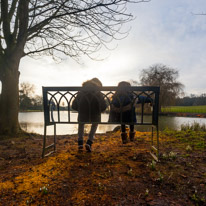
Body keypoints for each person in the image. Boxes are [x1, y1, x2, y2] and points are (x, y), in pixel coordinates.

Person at [72, 78, 107, 152]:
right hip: (94, 116)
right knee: (95, 123)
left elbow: (73, 105)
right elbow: (104, 106)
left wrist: (81, 110)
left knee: (81, 123)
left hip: (82, 116)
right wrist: (98, 110)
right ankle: (89, 142)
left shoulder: (81, 92)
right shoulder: (98, 93)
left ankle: (80, 143)